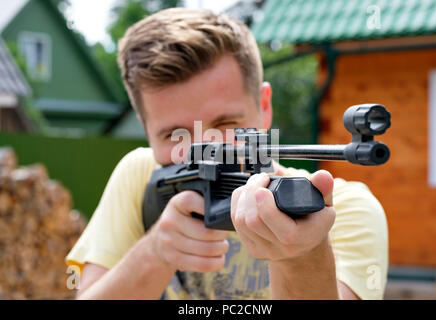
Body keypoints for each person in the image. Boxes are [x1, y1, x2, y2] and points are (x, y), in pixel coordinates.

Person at [65, 8, 388, 300]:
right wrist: (155, 253)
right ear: (146, 130)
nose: (206, 150)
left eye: (226, 123)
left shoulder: (347, 210)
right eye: (173, 134)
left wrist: (303, 256)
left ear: (264, 106)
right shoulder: (139, 173)